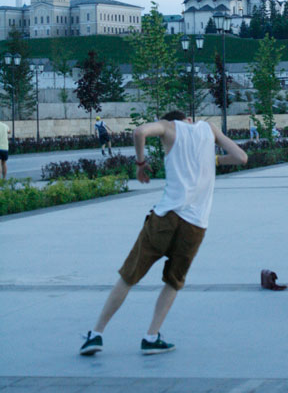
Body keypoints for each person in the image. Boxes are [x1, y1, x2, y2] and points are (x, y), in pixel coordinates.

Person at [80, 110, 248, 356]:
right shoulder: (209, 129)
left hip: (165, 218)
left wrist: (140, 163)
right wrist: (214, 161)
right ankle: (151, 336)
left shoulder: (168, 128)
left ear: (172, 121)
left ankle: (96, 334)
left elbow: (139, 132)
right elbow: (241, 157)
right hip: (196, 225)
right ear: (189, 119)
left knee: (129, 275)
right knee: (173, 281)